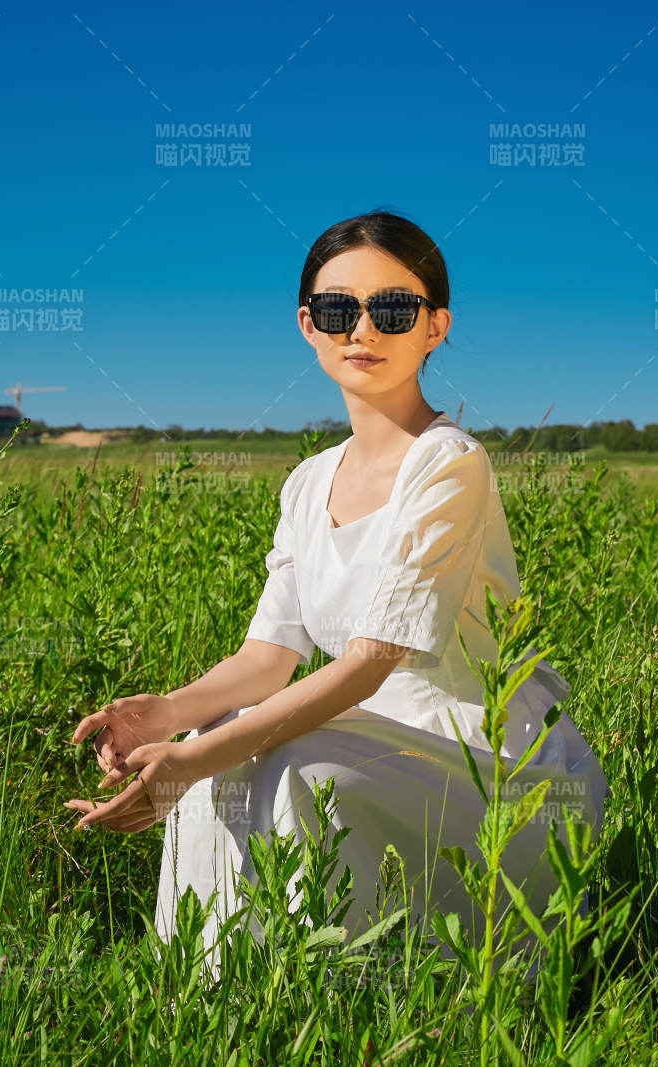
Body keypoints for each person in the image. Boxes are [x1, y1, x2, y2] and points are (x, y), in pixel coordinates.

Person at [66, 208, 611, 982]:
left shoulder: (450, 463)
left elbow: (369, 663)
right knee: (221, 739)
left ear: (436, 327)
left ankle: (346, 996)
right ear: (308, 327)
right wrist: (171, 715)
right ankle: (213, 1000)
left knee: (282, 763)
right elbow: (268, 656)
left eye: (393, 308)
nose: (363, 328)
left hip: (486, 755)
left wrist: (199, 757)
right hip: (365, 725)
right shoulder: (307, 480)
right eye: (337, 309)